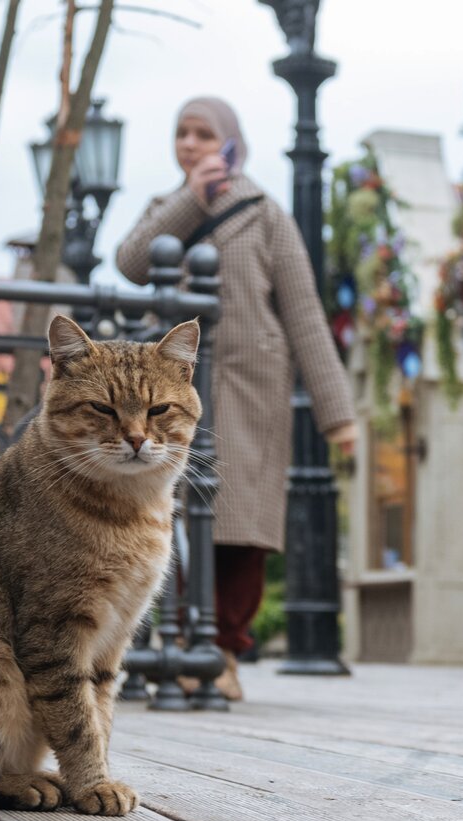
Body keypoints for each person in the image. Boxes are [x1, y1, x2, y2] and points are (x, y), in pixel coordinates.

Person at [115, 97, 357, 701]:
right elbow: (131, 264)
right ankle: (167, 645)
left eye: (203, 134)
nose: (190, 143)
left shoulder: (265, 214)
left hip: (250, 387)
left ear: (230, 142)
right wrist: (192, 196)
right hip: (167, 399)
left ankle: (222, 652)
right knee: (164, 515)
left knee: (240, 525)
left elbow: (303, 312)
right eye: (182, 132)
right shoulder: (165, 209)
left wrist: (339, 416)